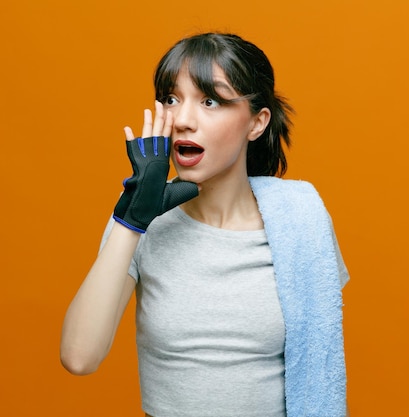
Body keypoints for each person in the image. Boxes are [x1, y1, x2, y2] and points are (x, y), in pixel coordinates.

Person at [60, 32, 350, 417]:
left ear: (257, 122)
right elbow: (79, 358)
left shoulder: (301, 220)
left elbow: (321, 355)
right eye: (171, 99)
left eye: (209, 100)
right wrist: (132, 221)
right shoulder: (141, 222)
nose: (181, 119)